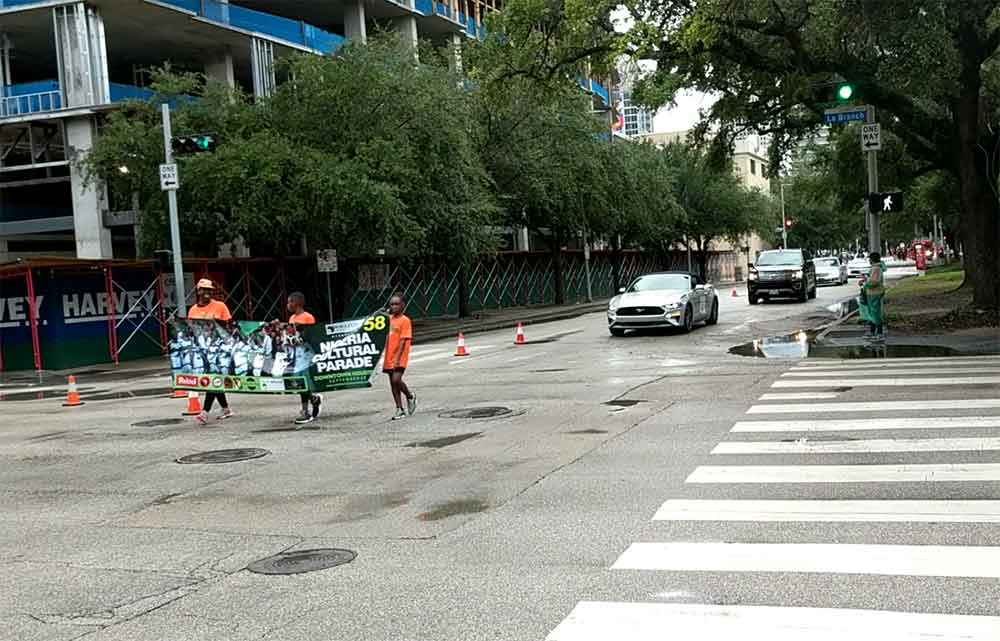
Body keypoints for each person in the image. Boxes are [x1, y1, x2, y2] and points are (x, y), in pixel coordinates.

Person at [187, 278, 234, 424]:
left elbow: (229, 326)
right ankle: (226, 409)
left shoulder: (220, 306)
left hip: (218, 350)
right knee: (215, 380)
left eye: (209, 290)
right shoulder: (193, 310)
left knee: (212, 379)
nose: (207, 292)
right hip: (203, 351)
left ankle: (205, 412)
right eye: (204, 290)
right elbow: (192, 330)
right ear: (199, 291)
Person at [286, 292, 322, 426]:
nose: (288, 305)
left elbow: (311, 336)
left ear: (298, 303)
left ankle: (309, 407)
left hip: (306, 355)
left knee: (305, 381)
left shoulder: (308, 318)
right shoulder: (291, 318)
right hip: (296, 354)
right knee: (299, 382)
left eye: (290, 302)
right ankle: (307, 406)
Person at [384, 293, 416, 421]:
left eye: (397, 304)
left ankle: (409, 396)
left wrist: (397, 357)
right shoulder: (387, 319)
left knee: (397, 380)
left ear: (403, 305)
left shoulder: (405, 320)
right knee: (392, 383)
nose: (394, 306)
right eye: (392, 304)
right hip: (388, 355)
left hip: (399, 356)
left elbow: (403, 341)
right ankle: (399, 408)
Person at [859, 251, 887, 340]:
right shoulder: (876, 268)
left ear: (872, 259)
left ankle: (879, 333)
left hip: (874, 293)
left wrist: (865, 283)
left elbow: (874, 282)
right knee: (872, 313)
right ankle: (872, 331)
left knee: (875, 313)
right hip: (873, 293)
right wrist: (866, 280)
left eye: (869, 259)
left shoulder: (876, 269)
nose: (869, 261)